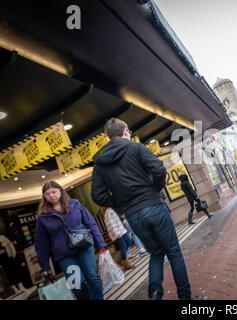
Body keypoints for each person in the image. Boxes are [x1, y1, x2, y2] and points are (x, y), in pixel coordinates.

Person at [90, 118, 195, 300]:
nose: (129, 134)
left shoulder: (99, 164)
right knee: (173, 252)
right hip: (153, 205)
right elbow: (159, 170)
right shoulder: (136, 148)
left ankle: (155, 293)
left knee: (156, 252)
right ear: (124, 131)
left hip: (133, 215)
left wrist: (119, 202)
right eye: (129, 132)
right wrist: (154, 189)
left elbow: (97, 196)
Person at [34, 181, 106, 300]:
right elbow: (41, 243)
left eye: (54, 192)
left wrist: (100, 243)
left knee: (92, 277)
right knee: (77, 284)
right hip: (64, 254)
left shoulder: (75, 204)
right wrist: (44, 266)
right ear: (44, 197)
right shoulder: (43, 217)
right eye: (47, 194)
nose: (51, 195)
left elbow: (90, 223)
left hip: (84, 246)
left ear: (60, 191)